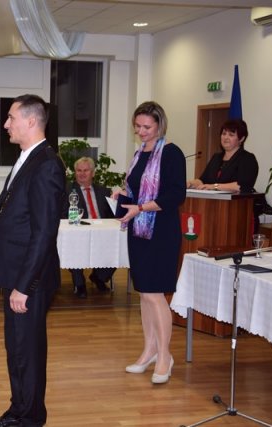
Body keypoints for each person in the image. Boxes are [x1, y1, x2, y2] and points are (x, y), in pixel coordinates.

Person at [0, 94, 65, 427]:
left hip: (28, 278)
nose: (5, 124)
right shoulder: (27, 159)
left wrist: (24, 286)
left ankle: (30, 418)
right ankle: (18, 411)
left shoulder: (46, 164)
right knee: (17, 348)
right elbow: (0, 209)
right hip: (16, 273)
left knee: (27, 351)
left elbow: (44, 233)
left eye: (10, 118)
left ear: (31, 121)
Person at [113, 101, 186, 385]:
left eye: (147, 127)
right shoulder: (139, 154)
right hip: (139, 231)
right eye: (137, 126)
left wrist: (141, 208)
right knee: (144, 294)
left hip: (161, 231)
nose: (141, 131)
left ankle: (165, 356)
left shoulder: (171, 153)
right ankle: (149, 351)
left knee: (155, 295)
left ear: (159, 125)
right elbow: (136, 190)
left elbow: (175, 195)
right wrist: (122, 195)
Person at [64, 156, 116, 298]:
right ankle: (79, 284)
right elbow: (62, 214)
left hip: (102, 232)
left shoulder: (104, 191)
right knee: (74, 246)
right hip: (77, 232)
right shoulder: (67, 191)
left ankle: (99, 277)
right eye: (78, 170)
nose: (82, 173)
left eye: (85, 170)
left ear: (93, 173)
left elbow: (112, 215)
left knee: (118, 244)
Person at [186, 119, 258, 193]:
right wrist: (190, 183)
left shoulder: (247, 158)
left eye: (231, 135)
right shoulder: (216, 157)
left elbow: (242, 186)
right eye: (224, 134)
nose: (226, 137)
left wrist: (214, 186)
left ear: (241, 139)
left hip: (235, 200)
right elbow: (202, 181)